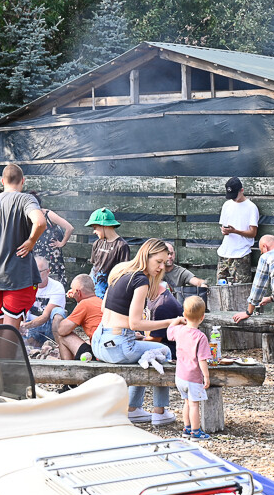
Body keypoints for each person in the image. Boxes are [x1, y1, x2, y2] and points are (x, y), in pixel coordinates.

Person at [94, 239, 184, 425]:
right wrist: (171, 322)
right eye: (158, 262)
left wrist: (126, 330)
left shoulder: (121, 270)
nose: (161, 267)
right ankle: (159, 411)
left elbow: (105, 308)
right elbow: (136, 323)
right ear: (146, 255)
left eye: (164, 262)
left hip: (100, 341)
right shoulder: (141, 280)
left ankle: (133, 408)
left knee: (146, 353)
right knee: (163, 351)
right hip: (119, 346)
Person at [0, 165, 47, 330]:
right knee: (10, 330)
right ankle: (8, 356)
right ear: (23, 181)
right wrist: (31, 241)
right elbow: (40, 222)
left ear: (2, 181)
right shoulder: (26, 199)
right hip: (17, 277)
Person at [170, 295, 213, 440]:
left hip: (180, 376)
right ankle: (196, 432)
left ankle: (186, 428)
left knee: (187, 402)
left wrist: (176, 320)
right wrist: (206, 376)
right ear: (202, 317)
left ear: (184, 314)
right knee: (194, 405)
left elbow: (169, 331)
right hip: (193, 377)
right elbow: (202, 360)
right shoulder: (200, 337)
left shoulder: (179, 330)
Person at [217, 177, 258, 283]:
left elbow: (253, 233)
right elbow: (223, 226)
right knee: (220, 287)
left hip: (241, 253)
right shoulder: (227, 205)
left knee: (241, 289)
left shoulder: (251, 207)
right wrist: (225, 231)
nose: (233, 198)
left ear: (242, 190)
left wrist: (235, 231)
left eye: (235, 195)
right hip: (225, 252)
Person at [21, 256, 66, 346]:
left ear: (48, 272)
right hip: (30, 325)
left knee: (59, 312)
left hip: (48, 326)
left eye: (39, 271)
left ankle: (59, 345)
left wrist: (26, 326)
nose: (35, 274)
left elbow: (45, 316)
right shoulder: (25, 285)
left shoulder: (57, 287)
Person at [31, 193, 73, 287]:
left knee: (54, 282)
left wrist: (62, 243)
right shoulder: (29, 216)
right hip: (36, 256)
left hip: (52, 257)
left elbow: (69, 228)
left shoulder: (48, 215)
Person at [56, 274, 101, 361]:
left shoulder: (84, 304)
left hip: (98, 354)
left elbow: (62, 330)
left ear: (78, 292)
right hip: (107, 349)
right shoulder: (100, 301)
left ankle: (68, 370)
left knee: (63, 337)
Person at [87, 208, 129, 299]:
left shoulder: (121, 246)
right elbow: (94, 267)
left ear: (104, 225)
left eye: (95, 228)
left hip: (109, 293)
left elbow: (123, 273)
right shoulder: (97, 243)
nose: (93, 231)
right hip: (92, 291)